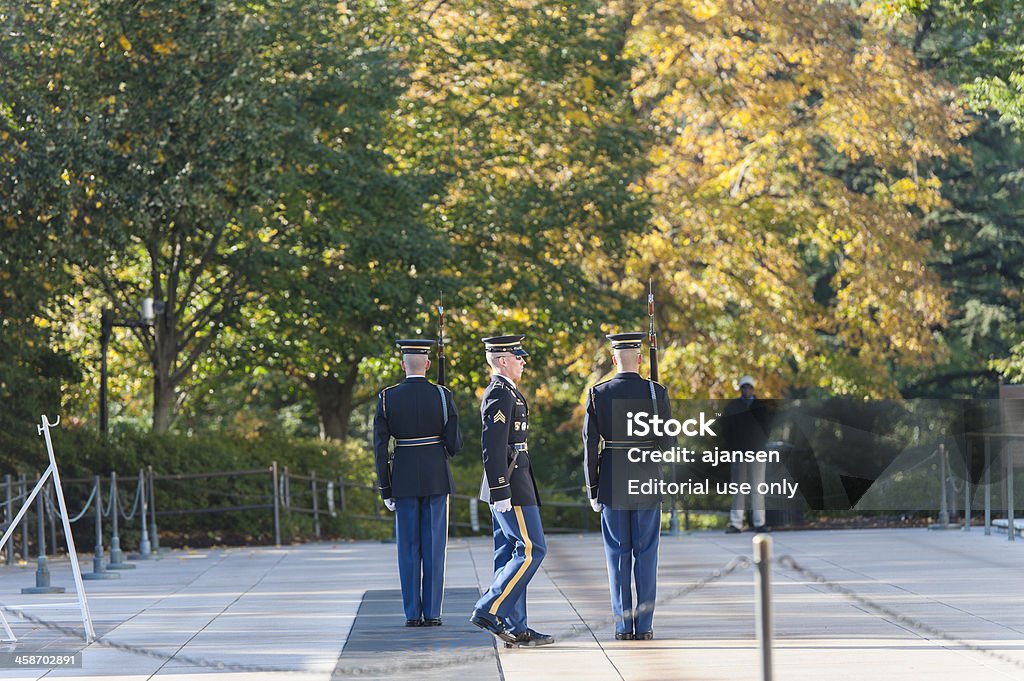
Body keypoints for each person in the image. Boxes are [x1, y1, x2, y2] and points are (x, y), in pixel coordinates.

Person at [583, 332, 673, 641]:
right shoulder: (655, 392)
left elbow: (589, 445)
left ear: (613, 359)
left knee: (617, 557)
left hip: (611, 480)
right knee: (646, 555)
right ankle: (644, 626)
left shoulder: (598, 393)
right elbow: (668, 444)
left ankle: (623, 626)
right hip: (646, 479)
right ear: (639, 359)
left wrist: (592, 487)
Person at [469, 334, 553, 648]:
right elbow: (491, 445)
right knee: (532, 549)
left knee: (510, 555)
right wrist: (501, 489)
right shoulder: (499, 393)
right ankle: (488, 608)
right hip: (511, 483)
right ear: (503, 360)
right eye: (518, 356)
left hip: (515, 479)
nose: (523, 361)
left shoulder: (508, 392)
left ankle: (516, 626)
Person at [373, 339, 462, 626]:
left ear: (403, 365)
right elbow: (455, 444)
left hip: (403, 478)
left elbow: (380, 448)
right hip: (436, 475)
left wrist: (385, 487)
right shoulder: (442, 395)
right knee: (435, 547)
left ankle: (412, 614)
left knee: (408, 547)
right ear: (426, 364)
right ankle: (433, 612)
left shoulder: (387, 397)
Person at [722, 375, 771, 534]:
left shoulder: (761, 407)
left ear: (753, 388)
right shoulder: (733, 406)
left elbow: (767, 429)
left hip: (757, 452)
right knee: (738, 488)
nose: (746, 390)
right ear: (740, 389)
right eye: (744, 387)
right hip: (739, 452)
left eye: (749, 387)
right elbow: (726, 429)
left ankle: (759, 522)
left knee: (757, 488)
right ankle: (736, 523)